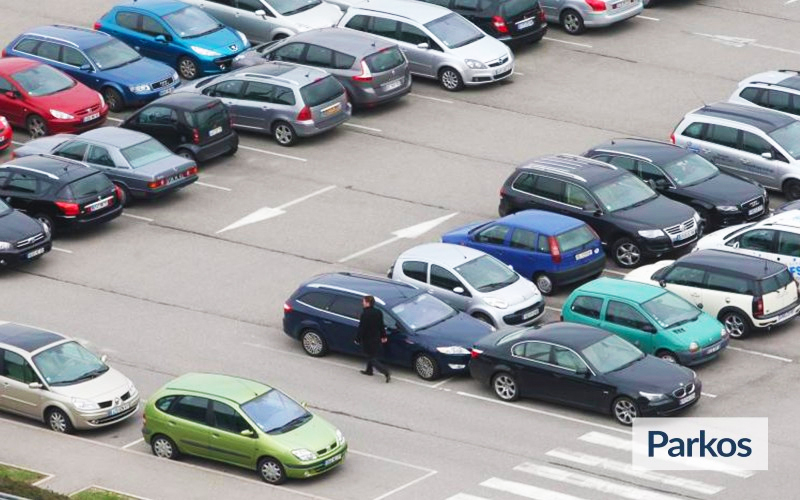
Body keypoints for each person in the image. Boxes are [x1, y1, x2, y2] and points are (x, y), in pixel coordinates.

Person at [356, 295, 390, 383]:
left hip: (367, 339)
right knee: (372, 355)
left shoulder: (365, 314)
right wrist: (384, 336)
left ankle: (385, 371)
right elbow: (381, 326)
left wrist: (357, 339)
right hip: (376, 337)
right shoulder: (378, 312)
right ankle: (369, 370)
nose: (362, 303)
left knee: (370, 357)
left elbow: (362, 328)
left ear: (367, 303)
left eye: (363, 301)